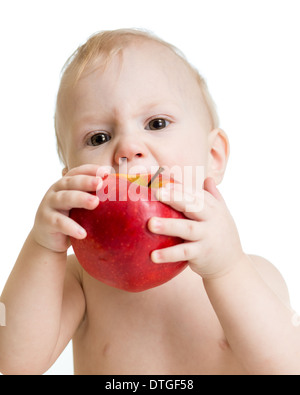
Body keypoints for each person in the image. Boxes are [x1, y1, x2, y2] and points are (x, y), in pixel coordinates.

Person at [0, 29, 299, 375]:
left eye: (156, 123)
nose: (128, 147)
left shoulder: (251, 275)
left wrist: (227, 269)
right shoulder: (82, 280)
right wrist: (43, 247)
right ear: (70, 177)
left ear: (213, 156)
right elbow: (13, 362)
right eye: (99, 137)